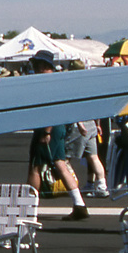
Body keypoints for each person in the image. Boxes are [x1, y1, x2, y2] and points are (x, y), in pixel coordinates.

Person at [26, 51, 88, 220]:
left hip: (48, 126)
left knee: (35, 167)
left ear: (43, 65)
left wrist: (46, 131)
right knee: (60, 163)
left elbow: (50, 108)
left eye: (37, 63)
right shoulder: (59, 81)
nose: (34, 66)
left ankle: (30, 207)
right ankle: (79, 203)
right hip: (58, 126)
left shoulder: (47, 82)